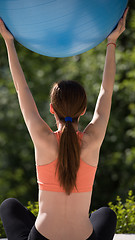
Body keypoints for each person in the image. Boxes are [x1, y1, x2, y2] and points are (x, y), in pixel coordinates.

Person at [0, 7, 128, 240]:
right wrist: (112, 42)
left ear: (52, 109)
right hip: (84, 238)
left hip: (42, 237)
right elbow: (106, 92)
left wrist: (9, 41)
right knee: (106, 214)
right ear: (83, 111)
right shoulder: (92, 141)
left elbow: (22, 89)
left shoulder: (43, 139)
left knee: (9, 206)